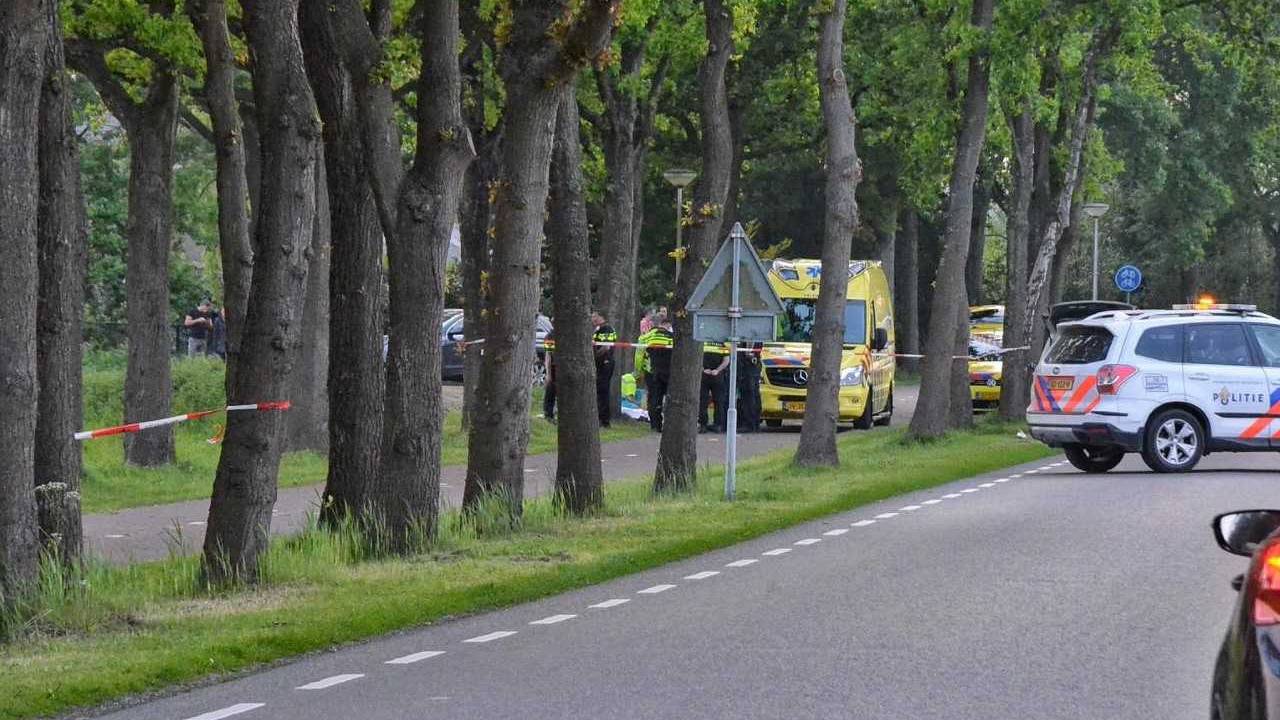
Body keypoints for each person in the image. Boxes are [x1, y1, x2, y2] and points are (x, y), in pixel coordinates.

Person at [637, 311, 673, 431]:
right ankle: (669, 423)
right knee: (670, 397)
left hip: (652, 371)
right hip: (669, 372)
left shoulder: (645, 337)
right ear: (666, 324)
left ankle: (655, 424)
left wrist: (638, 371)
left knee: (654, 397)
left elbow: (639, 356)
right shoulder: (672, 337)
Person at [591, 311, 617, 427]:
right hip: (599, 363)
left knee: (603, 389)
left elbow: (606, 347)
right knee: (599, 390)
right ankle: (599, 417)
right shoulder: (597, 329)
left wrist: (595, 355)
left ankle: (604, 420)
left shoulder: (607, 329)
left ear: (601, 317)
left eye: (594, 316)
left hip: (606, 362)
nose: (592, 318)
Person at [699, 342, 730, 432]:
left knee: (705, 401)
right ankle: (717, 425)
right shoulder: (723, 343)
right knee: (717, 401)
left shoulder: (703, 341)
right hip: (716, 375)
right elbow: (726, 360)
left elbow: (696, 357)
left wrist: (703, 369)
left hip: (707, 374)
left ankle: (704, 425)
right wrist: (717, 370)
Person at [737, 342, 763, 432]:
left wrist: (748, 353)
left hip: (748, 366)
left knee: (748, 395)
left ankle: (749, 424)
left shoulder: (751, 336)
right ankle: (755, 424)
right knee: (754, 394)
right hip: (753, 365)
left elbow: (750, 341)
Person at [542, 328, 557, 421]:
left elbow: (548, 356)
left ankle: (549, 414)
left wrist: (548, 374)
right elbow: (548, 356)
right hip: (554, 368)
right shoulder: (550, 336)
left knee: (550, 392)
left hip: (555, 368)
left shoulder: (550, 336)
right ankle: (548, 414)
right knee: (550, 391)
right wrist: (549, 374)